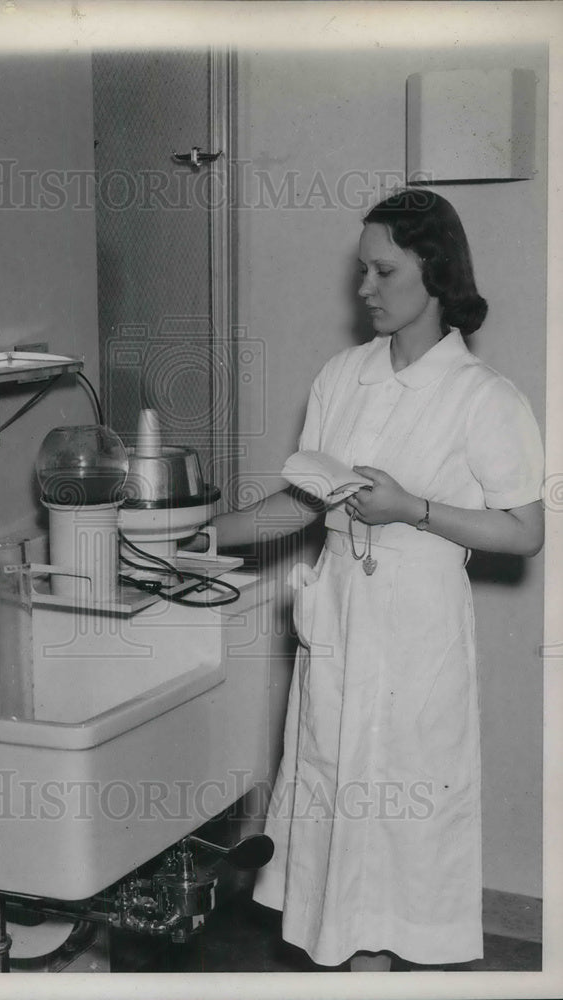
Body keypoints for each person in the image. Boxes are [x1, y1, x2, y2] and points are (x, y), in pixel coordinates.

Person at [211, 189, 545, 971]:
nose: (363, 288)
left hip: (416, 629)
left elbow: (525, 531)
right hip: (339, 617)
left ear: (433, 271)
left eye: (381, 270)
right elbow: (299, 504)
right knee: (331, 802)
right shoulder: (342, 376)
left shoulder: (482, 398)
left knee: (399, 815)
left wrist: (413, 508)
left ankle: (376, 974)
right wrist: (190, 535)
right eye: (362, 269)